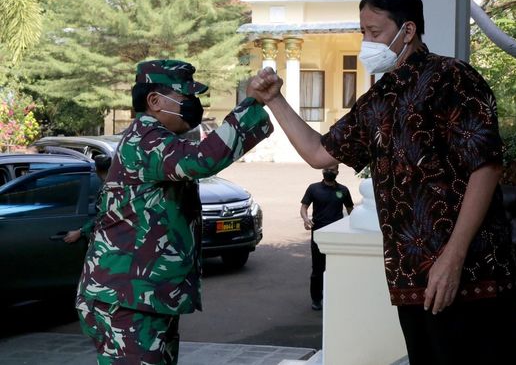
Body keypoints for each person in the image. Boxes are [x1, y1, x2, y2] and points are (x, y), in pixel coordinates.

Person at [250, 0, 516, 365]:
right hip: (410, 276)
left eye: (374, 32)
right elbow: (318, 152)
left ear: (407, 31)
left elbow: (487, 166)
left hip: (471, 273)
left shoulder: (453, 77)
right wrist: (274, 100)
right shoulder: (378, 99)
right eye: (362, 33)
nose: (366, 42)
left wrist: (452, 258)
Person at [75, 59, 273, 364]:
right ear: (155, 101)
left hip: (143, 297)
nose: (194, 106)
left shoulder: (155, 141)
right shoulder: (145, 142)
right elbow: (203, 159)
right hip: (128, 300)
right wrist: (252, 103)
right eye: (186, 99)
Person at [300, 164, 353, 311]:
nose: (329, 172)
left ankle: (336, 296)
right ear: (322, 170)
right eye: (326, 169)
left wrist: (352, 226)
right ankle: (316, 299)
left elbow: (350, 210)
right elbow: (304, 207)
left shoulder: (343, 190)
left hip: (338, 235)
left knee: (337, 267)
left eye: (332, 170)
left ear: (337, 171)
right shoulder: (313, 188)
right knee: (318, 268)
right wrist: (305, 219)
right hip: (318, 233)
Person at [63, 154, 112, 243]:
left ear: (96, 169)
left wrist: (80, 231)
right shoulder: (116, 185)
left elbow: (102, 216)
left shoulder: (107, 190)